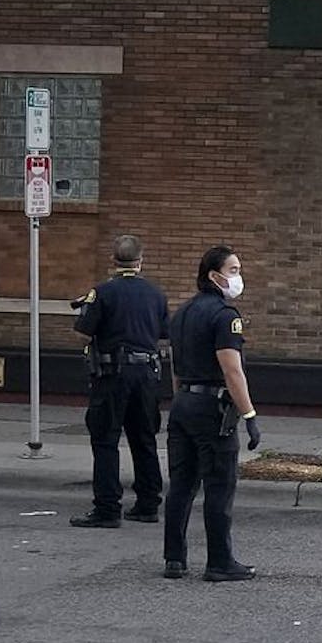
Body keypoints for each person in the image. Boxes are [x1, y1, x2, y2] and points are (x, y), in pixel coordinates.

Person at [162, 246, 260, 581]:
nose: (238, 276)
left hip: (183, 404)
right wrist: (249, 415)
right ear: (213, 275)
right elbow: (232, 370)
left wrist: (181, 401)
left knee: (181, 484)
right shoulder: (225, 316)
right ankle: (219, 562)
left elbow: (176, 365)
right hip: (211, 409)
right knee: (219, 485)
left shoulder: (183, 313)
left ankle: (174, 558)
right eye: (233, 270)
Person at [70, 235, 169, 528]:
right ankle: (148, 504)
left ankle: (107, 508)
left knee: (105, 440)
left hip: (113, 375)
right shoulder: (156, 294)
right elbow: (164, 336)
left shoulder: (102, 292)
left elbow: (83, 334)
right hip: (148, 375)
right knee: (144, 439)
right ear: (141, 261)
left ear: (113, 261)